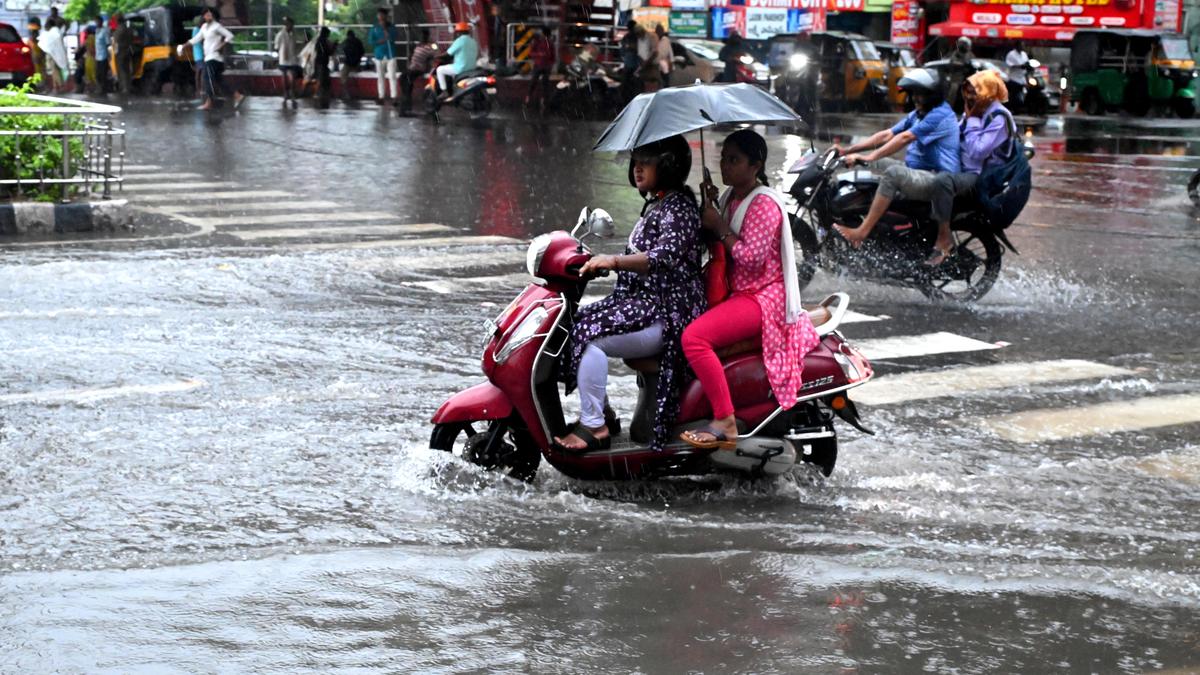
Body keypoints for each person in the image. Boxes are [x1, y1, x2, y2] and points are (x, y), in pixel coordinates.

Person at [556, 135, 706, 452]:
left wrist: (614, 260)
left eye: (646, 162)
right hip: (644, 305)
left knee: (589, 337)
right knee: (574, 321)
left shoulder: (679, 209)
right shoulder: (660, 203)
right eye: (635, 162)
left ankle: (594, 426)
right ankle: (604, 415)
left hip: (667, 313)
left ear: (668, 166)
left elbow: (663, 257)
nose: (637, 169)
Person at [680, 129, 821, 450]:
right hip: (737, 292)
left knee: (694, 339)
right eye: (723, 158)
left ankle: (725, 419)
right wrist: (710, 206)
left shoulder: (764, 205)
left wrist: (719, 226)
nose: (725, 166)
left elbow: (751, 258)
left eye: (734, 160)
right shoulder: (732, 197)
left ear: (755, 165)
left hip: (762, 297)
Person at [829, 68, 961, 262]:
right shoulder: (918, 114)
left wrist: (870, 157)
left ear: (932, 94)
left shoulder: (940, 114)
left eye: (920, 93)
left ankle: (861, 233)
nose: (915, 97)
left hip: (936, 178)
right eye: (913, 93)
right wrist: (848, 151)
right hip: (919, 172)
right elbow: (887, 135)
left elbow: (904, 138)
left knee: (892, 172)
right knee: (876, 164)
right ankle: (879, 226)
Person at [927, 70, 1017, 265]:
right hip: (963, 169)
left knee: (942, 181)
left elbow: (977, 151)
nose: (968, 97)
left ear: (987, 92)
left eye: (974, 92)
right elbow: (957, 134)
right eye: (967, 92)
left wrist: (973, 119)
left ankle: (944, 239)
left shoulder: (998, 117)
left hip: (981, 178)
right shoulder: (976, 109)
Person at [180, 7, 244, 111]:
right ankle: (237, 95)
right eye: (207, 15)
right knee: (219, 81)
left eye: (210, 15)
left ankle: (209, 102)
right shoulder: (204, 27)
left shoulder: (217, 26)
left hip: (214, 58)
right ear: (204, 17)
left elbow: (230, 36)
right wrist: (184, 45)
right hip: (209, 57)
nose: (209, 16)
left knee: (207, 79)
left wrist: (221, 45)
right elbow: (196, 39)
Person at [437, 22, 478, 97]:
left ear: (459, 32)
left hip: (460, 68)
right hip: (471, 68)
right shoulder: (473, 41)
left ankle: (444, 91)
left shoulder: (460, 41)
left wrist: (437, 56)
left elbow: (448, 54)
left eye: (457, 32)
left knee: (440, 69)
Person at [368, 8, 399, 105]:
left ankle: (394, 97)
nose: (380, 17)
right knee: (380, 77)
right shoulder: (375, 28)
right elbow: (370, 41)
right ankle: (381, 96)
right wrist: (379, 41)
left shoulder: (392, 27)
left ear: (386, 16)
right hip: (379, 55)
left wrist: (386, 31)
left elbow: (394, 37)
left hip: (391, 55)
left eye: (382, 15)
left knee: (392, 76)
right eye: (379, 15)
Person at [524, 26, 553, 111]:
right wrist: (539, 54)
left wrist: (550, 64)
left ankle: (542, 101)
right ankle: (528, 100)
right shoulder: (537, 42)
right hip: (539, 65)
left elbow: (552, 56)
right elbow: (531, 53)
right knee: (534, 82)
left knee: (543, 84)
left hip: (544, 66)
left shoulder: (549, 43)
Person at [275, 17, 302, 106]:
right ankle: (286, 93)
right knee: (284, 77)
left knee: (293, 77)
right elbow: (276, 47)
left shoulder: (295, 34)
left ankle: (292, 93)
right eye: (290, 24)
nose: (291, 26)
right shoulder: (280, 34)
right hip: (284, 58)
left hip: (293, 58)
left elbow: (297, 45)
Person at [37, 22, 67, 92]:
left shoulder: (53, 33)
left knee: (55, 71)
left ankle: (58, 86)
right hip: (56, 55)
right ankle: (57, 85)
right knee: (55, 71)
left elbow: (48, 45)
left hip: (53, 55)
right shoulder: (55, 32)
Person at [947, 36, 975, 111]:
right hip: (955, 79)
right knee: (953, 89)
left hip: (968, 79)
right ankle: (949, 108)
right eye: (960, 43)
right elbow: (949, 62)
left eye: (964, 44)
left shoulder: (970, 55)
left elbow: (972, 65)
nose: (962, 45)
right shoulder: (954, 54)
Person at [339, 29, 365, 100]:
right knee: (352, 77)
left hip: (348, 64)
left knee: (343, 75)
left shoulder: (346, 42)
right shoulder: (358, 41)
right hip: (356, 63)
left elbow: (343, 50)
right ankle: (355, 93)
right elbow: (362, 52)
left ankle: (346, 92)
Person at [313, 26, 334, 107]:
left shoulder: (320, 41)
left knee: (322, 80)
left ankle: (320, 95)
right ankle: (320, 95)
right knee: (322, 80)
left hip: (321, 63)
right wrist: (333, 47)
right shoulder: (322, 41)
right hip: (322, 63)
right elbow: (327, 52)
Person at [1004, 40, 1030, 109]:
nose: (1022, 47)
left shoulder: (1024, 54)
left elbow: (1026, 64)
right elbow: (1009, 64)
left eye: (1023, 46)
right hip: (1014, 79)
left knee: (1021, 95)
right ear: (1017, 46)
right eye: (1021, 45)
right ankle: (1012, 108)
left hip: (1022, 79)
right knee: (1013, 96)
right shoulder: (1011, 54)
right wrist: (1019, 66)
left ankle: (1020, 108)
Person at [112, 13, 133, 94]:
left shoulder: (120, 29)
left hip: (121, 51)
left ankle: (125, 88)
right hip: (127, 50)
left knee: (122, 70)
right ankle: (127, 87)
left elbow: (115, 40)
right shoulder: (128, 28)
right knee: (126, 70)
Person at [94, 16, 110, 93]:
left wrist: (109, 55)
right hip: (97, 56)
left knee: (103, 74)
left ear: (101, 22)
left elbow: (108, 43)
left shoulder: (105, 31)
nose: (96, 23)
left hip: (104, 56)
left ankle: (103, 89)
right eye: (95, 22)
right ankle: (99, 88)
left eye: (97, 21)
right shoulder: (97, 30)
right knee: (98, 74)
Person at [190, 16, 205, 96]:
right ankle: (201, 89)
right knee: (201, 72)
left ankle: (198, 89)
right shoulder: (198, 30)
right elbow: (201, 41)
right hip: (200, 53)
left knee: (199, 71)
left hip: (197, 53)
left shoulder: (195, 29)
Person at [654, 23, 672, 89]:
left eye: (660, 31)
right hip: (654, 67)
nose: (659, 32)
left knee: (666, 85)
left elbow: (670, 53)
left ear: (663, 31)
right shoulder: (653, 39)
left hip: (664, 66)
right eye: (657, 30)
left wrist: (671, 64)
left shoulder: (666, 40)